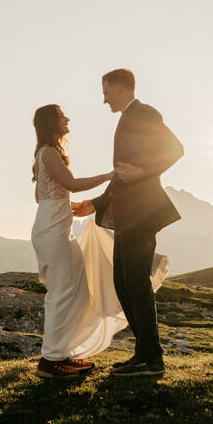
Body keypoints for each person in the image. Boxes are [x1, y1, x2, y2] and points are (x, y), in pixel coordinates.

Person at [73, 68, 184, 377]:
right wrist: (95, 203)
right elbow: (122, 173)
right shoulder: (127, 117)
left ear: (120, 88)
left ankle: (151, 358)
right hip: (127, 214)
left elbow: (175, 149)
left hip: (142, 212)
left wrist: (144, 172)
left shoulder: (145, 113)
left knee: (135, 281)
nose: (104, 98)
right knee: (124, 282)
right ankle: (146, 352)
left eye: (106, 91)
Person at [30, 104, 113, 377]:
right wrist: (110, 176)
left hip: (56, 227)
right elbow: (72, 184)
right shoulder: (48, 152)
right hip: (52, 231)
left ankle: (63, 352)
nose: (67, 118)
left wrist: (66, 204)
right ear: (50, 122)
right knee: (62, 291)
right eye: (61, 115)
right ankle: (50, 360)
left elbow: (43, 196)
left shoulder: (45, 154)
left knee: (77, 289)